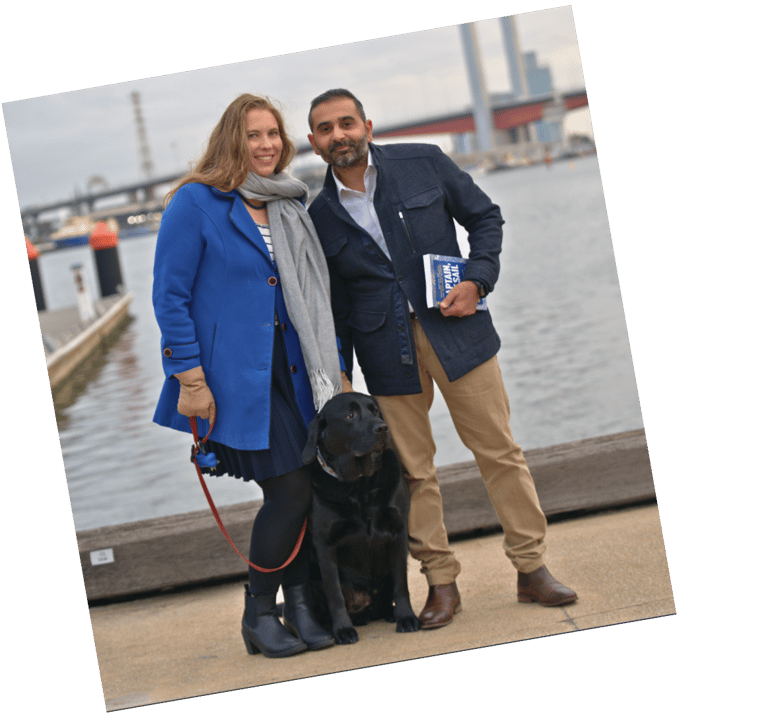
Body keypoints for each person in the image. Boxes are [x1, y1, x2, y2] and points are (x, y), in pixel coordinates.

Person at [306, 88, 577, 629]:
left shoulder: (423, 161)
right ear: (313, 143)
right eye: (325, 128)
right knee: (412, 472)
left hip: (459, 332)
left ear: (367, 125)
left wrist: (478, 279)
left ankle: (531, 568)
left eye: (346, 123)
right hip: (385, 352)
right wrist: (338, 369)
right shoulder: (320, 216)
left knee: (499, 452)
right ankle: (440, 582)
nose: (339, 135)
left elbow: (486, 218)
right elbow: (334, 305)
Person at [152, 93, 352, 658]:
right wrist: (190, 379)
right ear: (230, 141)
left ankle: (303, 607)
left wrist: (335, 362)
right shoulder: (195, 204)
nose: (265, 145)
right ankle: (259, 613)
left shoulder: (290, 201)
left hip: (298, 369)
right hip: (237, 382)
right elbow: (170, 296)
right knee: (289, 489)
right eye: (253, 135)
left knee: (309, 486)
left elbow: (316, 295)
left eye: (272, 134)